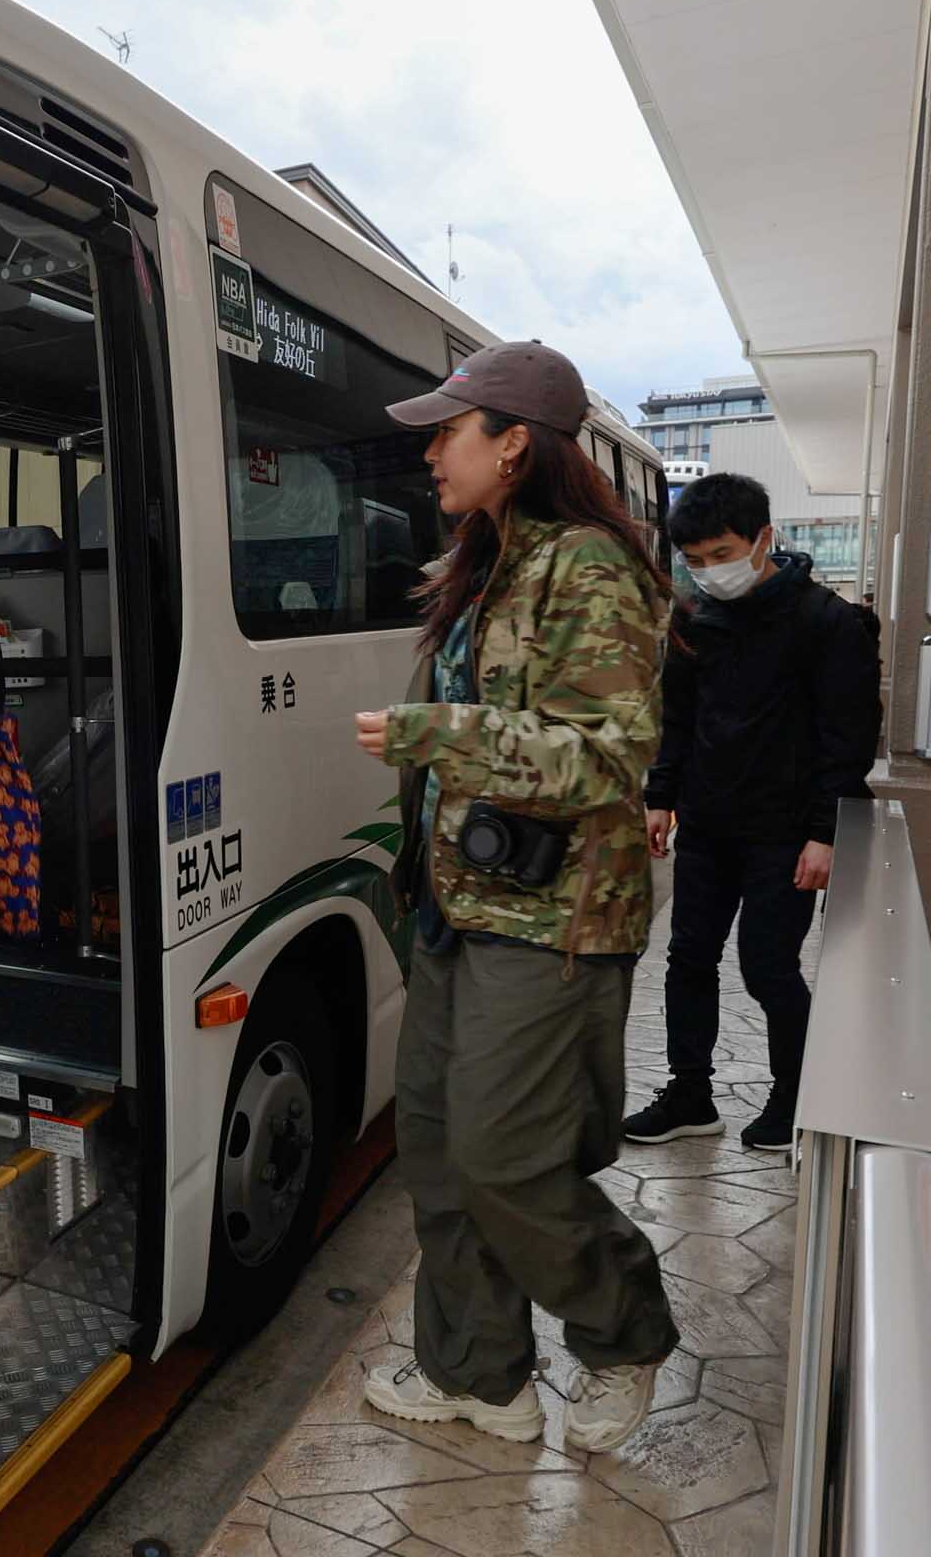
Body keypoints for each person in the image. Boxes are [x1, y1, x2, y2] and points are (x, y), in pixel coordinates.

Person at [351, 340, 680, 1454]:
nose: (431, 451)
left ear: (514, 445)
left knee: (507, 1160)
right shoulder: (483, 562)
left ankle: (624, 1333)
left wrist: (438, 734)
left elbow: (608, 756)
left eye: (449, 431)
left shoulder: (586, 566)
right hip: (458, 910)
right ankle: (480, 1373)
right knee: (438, 1154)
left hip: (553, 924)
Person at [624, 473, 881, 1152]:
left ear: (764, 538)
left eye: (723, 553)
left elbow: (847, 738)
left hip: (786, 833)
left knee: (768, 965)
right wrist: (660, 796)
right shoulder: (693, 617)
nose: (711, 571)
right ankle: (690, 1093)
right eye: (696, 560)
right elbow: (677, 717)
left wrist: (824, 832)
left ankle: (793, 1095)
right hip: (708, 825)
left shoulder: (827, 622)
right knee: (687, 958)